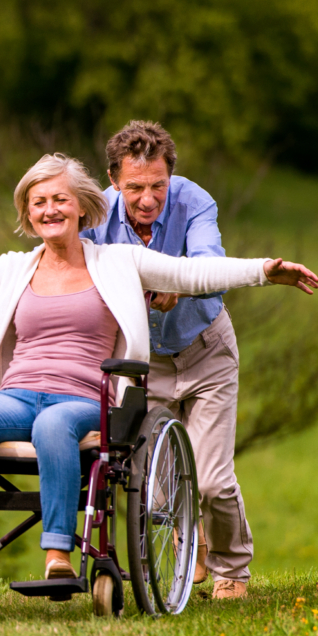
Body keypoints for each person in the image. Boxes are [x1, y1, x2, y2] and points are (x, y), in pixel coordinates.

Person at [0, 154, 318, 594]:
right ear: (28, 216)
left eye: (58, 199)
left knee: (52, 428)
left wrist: (265, 270)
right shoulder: (11, 269)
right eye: (38, 203)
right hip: (18, 394)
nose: (49, 210)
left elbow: (193, 273)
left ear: (82, 207)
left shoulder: (120, 262)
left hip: (85, 399)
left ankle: (57, 556)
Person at [83, 121, 253, 600]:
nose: (148, 198)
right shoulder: (96, 214)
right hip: (143, 361)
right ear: (114, 179)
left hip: (205, 350)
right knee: (158, 492)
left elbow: (209, 263)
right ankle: (187, 541)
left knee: (214, 479)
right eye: (135, 187)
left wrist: (180, 282)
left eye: (158, 184)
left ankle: (231, 571)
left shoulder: (194, 203)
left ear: (170, 177)